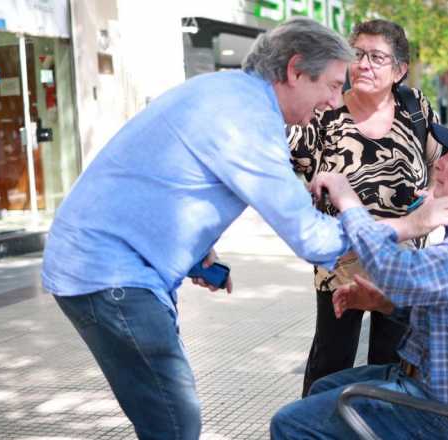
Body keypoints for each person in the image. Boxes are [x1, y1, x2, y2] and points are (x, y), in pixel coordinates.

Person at [40, 18, 359, 440]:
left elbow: (169, 180)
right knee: (174, 421)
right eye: (334, 86)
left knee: (166, 417)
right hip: (108, 273)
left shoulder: (225, 93)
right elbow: (313, 240)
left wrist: (194, 252)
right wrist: (394, 224)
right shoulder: (247, 120)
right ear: (296, 69)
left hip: (100, 262)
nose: (335, 102)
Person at [271, 124, 448, 439]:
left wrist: (348, 201)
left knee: (289, 423)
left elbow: (392, 269)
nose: (440, 161)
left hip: (441, 410)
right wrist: (384, 303)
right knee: (323, 387)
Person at [288, 19, 442, 396]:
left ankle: (373, 429)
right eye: (357, 55)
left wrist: (433, 194)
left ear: (399, 70)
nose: (364, 65)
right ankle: (314, 429)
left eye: (377, 57)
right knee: (331, 357)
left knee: (390, 361)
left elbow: (442, 162)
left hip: (401, 259)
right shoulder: (325, 110)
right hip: (340, 259)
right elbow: (287, 170)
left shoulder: (415, 107)